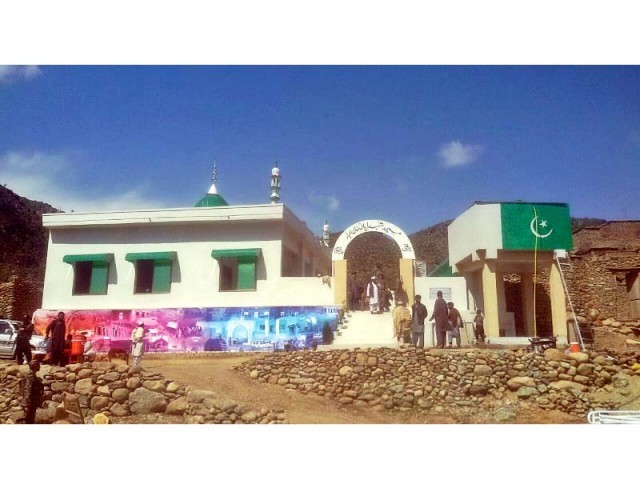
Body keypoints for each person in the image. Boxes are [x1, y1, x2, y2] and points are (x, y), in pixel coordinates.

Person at [21, 360, 44, 424]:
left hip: (32, 402)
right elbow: (27, 390)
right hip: (30, 403)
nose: (39, 367)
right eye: (38, 365)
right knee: (29, 420)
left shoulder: (33, 376)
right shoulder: (30, 376)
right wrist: (27, 404)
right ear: (35, 366)